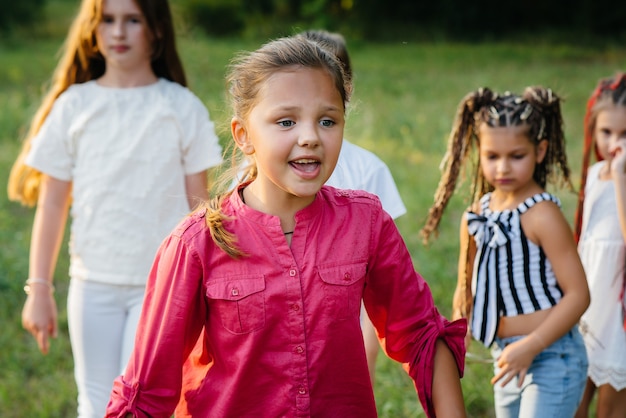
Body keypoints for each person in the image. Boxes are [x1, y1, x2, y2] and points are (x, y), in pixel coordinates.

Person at [105, 35, 467, 418]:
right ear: (244, 135)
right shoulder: (195, 244)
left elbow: (422, 336)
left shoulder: (367, 223)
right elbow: (146, 391)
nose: (310, 137)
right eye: (286, 121)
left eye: (327, 120)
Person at [7, 0, 223, 416]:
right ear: (93, 30)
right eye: (107, 20)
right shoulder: (74, 105)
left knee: (142, 402)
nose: (119, 32)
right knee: (93, 403)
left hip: (161, 288)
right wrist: (38, 289)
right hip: (92, 285)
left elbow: (200, 213)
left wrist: (203, 292)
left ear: (156, 30)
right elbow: (52, 203)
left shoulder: (181, 106)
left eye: (132, 20)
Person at [421, 86, 590, 417]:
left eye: (517, 156)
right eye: (492, 157)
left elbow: (579, 296)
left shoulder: (542, 215)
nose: (503, 168)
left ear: (540, 151)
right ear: (478, 152)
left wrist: (532, 346)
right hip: (506, 356)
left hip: (551, 354)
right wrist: (460, 332)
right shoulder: (478, 213)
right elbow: (464, 287)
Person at [300, 29, 407, 386]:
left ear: (346, 91)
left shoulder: (368, 168)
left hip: (350, 310)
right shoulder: (267, 164)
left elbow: (387, 269)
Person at [573, 73, 626, 418]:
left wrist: (620, 177)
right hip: (586, 313)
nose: (614, 144)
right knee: (573, 402)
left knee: (610, 410)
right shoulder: (593, 175)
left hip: (618, 323)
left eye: (625, 134)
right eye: (607, 132)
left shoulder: (621, 178)